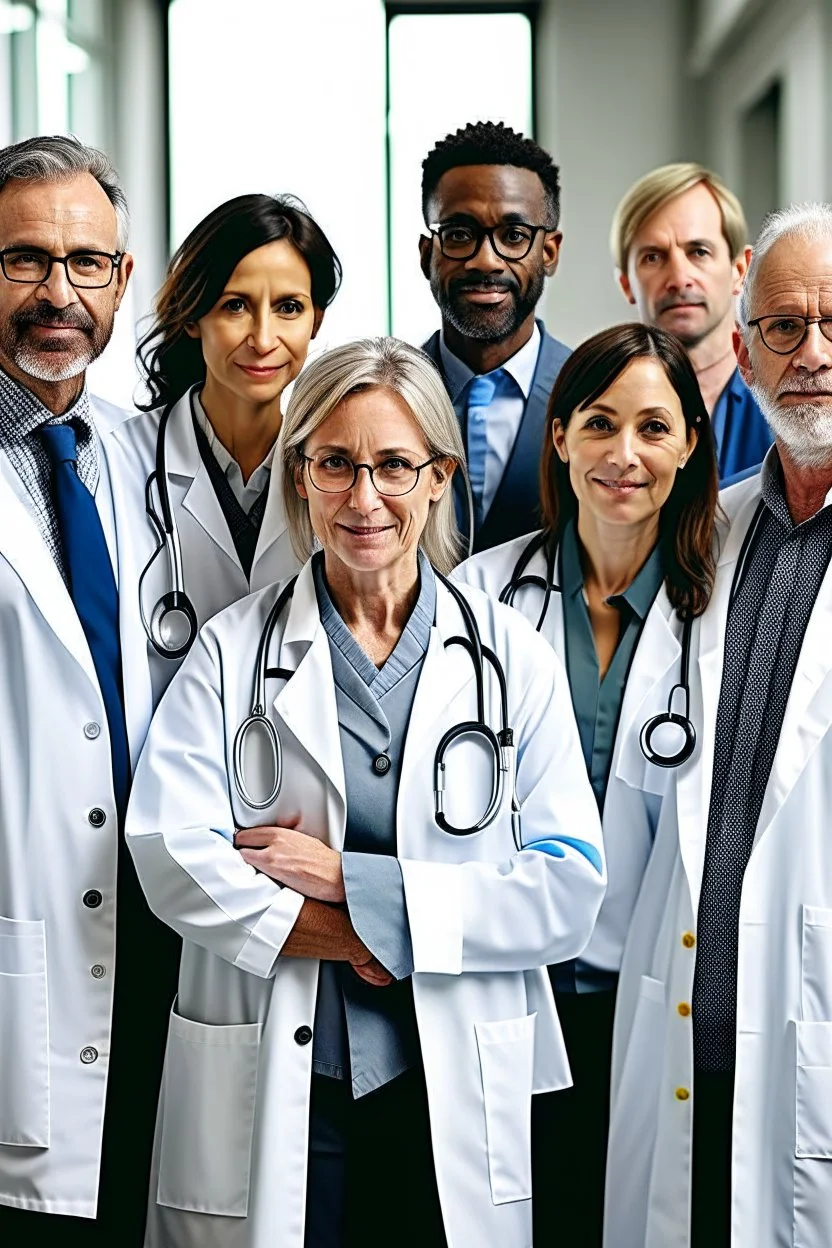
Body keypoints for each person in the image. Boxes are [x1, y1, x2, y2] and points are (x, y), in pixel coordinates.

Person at [125, 336, 606, 1248]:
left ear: (439, 476)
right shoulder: (233, 652)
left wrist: (349, 879)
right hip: (288, 1082)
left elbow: (567, 890)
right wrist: (369, 933)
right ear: (300, 475)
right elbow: (171, 854)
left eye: (393, 464)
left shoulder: (512, 660)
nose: (364, 496)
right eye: (335, 464)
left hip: (455, 1080)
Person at [455, 322, 719, 1246]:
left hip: (647, 1002)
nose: (625, 455)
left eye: (654, 428)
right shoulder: (479, 600)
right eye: (600, 424)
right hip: (505, 990)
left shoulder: (718, 618)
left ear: (691, 442)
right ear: (559, 434)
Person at [605, 202, 832, 1248]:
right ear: (740, 353)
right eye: (782, 328)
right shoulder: (711, 529)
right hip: (688, 1041)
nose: (811, 354)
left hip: (809, 1039)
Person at [0, 136, 178, 1244]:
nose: (58, 292)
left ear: (123, 280)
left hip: (148, 949)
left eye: (86, 262)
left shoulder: (143, 457)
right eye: (23, 260)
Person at [109, 193, 340, 702]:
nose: (263, 338)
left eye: (288, 308)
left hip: (295, 764)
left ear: (315, 323)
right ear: (193, 317)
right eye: (235, 305)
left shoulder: (341, 473)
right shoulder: (116, 462)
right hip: (162, 762)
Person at [419, 120, 570, 554]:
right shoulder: (388, 397)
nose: (486, 261)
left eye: (514, 236)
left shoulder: (597, 394)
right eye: (459, 234)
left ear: (549, 252)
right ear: (427, 253)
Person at [611, 162, 772, 480]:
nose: (679, 278)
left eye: (698, 252)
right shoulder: (599, 411)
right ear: (627, 284)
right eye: (653, 257)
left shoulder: (790, 398)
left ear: (740, 270)